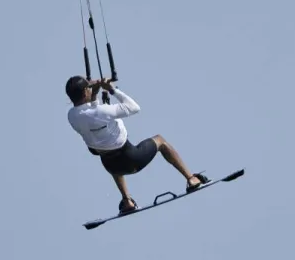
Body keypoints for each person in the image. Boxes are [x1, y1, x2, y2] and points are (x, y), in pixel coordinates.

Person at [65, 76, 208, 214]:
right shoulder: (102, 111)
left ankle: (127, 200)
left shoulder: (72, 116)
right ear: (85, 92)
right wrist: (112, 90)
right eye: (88, 88)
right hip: (132, 159)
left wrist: (94, 92)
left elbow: (91, 113)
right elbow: (134, 107)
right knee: (160, 140)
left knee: (107, 151)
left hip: (111, 166)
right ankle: (191, 178)